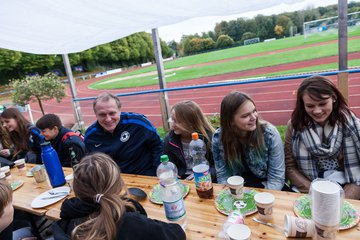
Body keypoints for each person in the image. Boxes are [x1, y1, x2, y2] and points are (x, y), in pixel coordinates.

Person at [52, 153, 186, 240]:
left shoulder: (65, 223)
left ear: (78, 190)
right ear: (118, 184)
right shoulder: (131, 223)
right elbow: (178, 234)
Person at [285, 76, 360, 199]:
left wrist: (340, 201)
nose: (317, 111)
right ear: (302, 104)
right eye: (310, 106)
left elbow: (357, 173)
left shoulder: (352, 125)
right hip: (309, 184)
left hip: (348, 183)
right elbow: (290, 167)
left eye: (322, 103)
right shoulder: (294, 126)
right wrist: (315, 192)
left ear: (334, 98)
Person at [212, 91, 285, 190]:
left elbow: (276, 177)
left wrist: (262, 200)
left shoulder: (270, 134)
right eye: (245, 116)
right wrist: (230, 195)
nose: (254, 117)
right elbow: (223, 175)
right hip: (237, 187)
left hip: (266, 186)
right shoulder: (219, 138)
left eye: (254, 111)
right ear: (230, 121)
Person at [85, 93, 163, 176]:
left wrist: (160, 172)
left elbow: (158, 146)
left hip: (145, 176)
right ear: (96, 115)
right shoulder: (90, 136)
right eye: (102, 115)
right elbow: (91, 162)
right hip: (113, 180)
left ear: (119, 110)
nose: (108, 119)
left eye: (112, 113)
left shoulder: (139, 123)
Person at [164, 100, 216, 181]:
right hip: (182, 180)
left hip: (205, 178)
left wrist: (205, 174)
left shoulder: (209, 139)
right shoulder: (170, 140)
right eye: (172, 120)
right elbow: (169, 162)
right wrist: (172, 172)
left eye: (178, 121)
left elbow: (216, 166)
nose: (173, 124)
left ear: (191, 123)